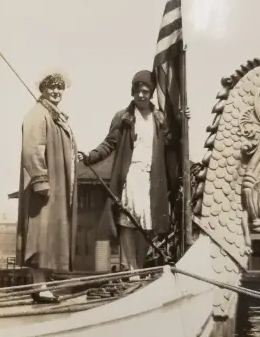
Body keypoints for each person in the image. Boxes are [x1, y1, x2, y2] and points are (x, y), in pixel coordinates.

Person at [79, 69, 189, 271]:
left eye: (146, 91)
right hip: (130, 176)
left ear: (152, 93)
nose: (141, 95)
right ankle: (131, 269)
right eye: (138, 90)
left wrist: (182, 122)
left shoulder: (160, 118)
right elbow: (109, 143)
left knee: (147, 226)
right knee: (128, 222)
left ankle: (140, 265)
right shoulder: (123, 117)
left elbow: (172, 144)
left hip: (152, 178)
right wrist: (90, 156)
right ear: (133, 91)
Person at [16, 72, 79, 297]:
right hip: (44, 186)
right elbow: (32, 149)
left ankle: (42, 285)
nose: (56, 91)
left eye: (60, 88)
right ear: (42, 89)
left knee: (50, 232)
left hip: (57, 184)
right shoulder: (37, 115)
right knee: (40, 233)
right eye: (51, 87)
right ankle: (39, 286)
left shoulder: (56, 116)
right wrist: (40, 179)